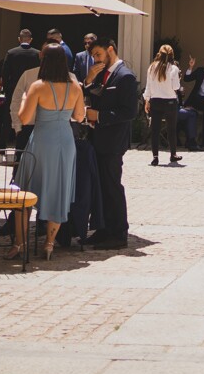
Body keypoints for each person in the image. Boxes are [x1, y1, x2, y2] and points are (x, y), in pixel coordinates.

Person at [12, 43, 84, 261]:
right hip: (65, 141)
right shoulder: (75, 86)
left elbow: (24, 119)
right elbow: (79, 117)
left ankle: (20, 243)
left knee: (24, 192)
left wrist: (25, 100)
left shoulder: (38, 86)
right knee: (58, 191)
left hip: (42, 140)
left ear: (44, 61)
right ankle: (50, 244)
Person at [83, 37, 138, 249]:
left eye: (98, 55)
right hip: (97, 139)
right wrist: (88, 79)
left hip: (113, 141)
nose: (95, 59)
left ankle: (118, 233)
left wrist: (101, 116)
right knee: (101, 187)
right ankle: (103, 228)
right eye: (92, 56)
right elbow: (90, 92)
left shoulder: (125, 76)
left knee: (113, 186)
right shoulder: (101, 74)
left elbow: (130, 112)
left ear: (110, 50)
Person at [143, 43, 183, 166]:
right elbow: (176, 87)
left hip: (155, 101)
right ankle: (173, 154)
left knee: (155, 130)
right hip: (170, 102)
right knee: (171, 129)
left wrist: (146, 101)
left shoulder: (151, 68)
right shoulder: (174, 68)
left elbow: (148, 87)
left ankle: (155, 157)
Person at [0, 29, 40, 105]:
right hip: (31, 89)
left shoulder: (11, 53)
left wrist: (6, 89)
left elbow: (5, 73)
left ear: (19, 39)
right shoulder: (37, 54)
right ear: (30, 40)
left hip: (14, 88)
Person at [9, 56, 40, 149]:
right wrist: (18, 127)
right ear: (41, 55)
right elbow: (16, 100)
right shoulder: (29, 74)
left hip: (57, 131)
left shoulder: (70, 78)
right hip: (28, 127)